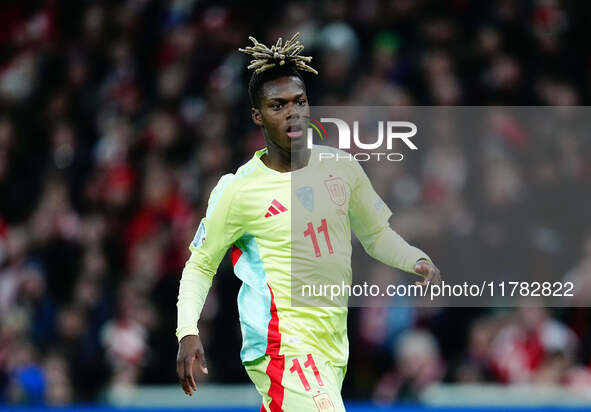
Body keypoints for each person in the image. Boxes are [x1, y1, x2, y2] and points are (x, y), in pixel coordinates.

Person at [175, 33, 441, 411]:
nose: (292, 113)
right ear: (257, 115)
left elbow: (375, 234)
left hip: (331, 349)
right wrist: (187, 330)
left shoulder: (341, 168)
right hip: (282, 349)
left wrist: (415, 259)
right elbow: (200, 264)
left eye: (299, 102)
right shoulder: (238, 191)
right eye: (277, 105)